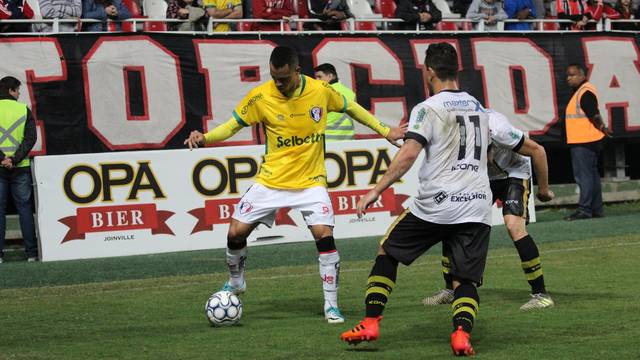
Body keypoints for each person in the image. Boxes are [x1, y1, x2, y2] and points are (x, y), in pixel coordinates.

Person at [339, 42, 547, 356]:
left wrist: (375, 190)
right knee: (464, 280)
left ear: (430, 71)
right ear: (457, 71)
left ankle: (370, 321)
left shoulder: (428, 108)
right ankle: (461, 335)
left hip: (436, 203)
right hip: (477, 204)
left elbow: (408, 155)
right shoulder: (478, 107)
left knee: (388, 251)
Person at [184, 46, 407, 324]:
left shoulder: (320, 90)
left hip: (310, 182)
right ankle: (236, 281)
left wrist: (386, 131)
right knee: (235, 232)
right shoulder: (261, 96)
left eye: (284, 78)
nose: (279, 83)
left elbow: (353, 108)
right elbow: (231, 126)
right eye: (275, 77)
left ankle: (331, 305)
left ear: (297, 72)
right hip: (271, 180)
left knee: (323, 235)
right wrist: (205, 138)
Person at [422, 125, 556, 310]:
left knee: (513, 225)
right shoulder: (453, 128)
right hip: (485, 178)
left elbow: (538, 151)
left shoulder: (497, 128)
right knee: (454, 223)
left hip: (514, 173)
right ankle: (452, 290)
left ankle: (541, 295)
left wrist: (543, 190)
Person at [564, 63, 609, 221]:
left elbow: (593, 114)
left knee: (584, 176)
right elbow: (594, 114)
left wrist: (602, 126)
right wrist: (602, 128)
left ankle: (585, 209)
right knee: (592, 175)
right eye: (568, 75)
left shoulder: (584, 91)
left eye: (573, 75)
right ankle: (596, 209)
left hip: (583, 140)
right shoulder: (583, 91)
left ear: (582, 76)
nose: (569, 78)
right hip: (589, 139)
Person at [0, 76, 38, 263]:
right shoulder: (23, 109)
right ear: (11, 91)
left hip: (0, 167)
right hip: (20, 167)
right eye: (17, 90)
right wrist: (14, 160)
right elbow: (30, 138)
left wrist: (3, 159)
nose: (19, 93)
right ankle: (31, 253)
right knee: (24, 209)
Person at [313, 63, 356, 141]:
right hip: (348, 140)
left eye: (319, 77)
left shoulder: (322, 92)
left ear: (330, 76)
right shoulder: (351, 93)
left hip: (327, 141)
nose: (317, 80)